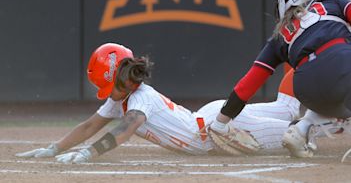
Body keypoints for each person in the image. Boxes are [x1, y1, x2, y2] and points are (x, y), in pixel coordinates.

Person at [209, 0, 351, 162]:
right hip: (342, 61)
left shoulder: (279, 36)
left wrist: (220, 123)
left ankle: (302, 129)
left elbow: (249, 84)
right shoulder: (332, 2)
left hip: (305, 86)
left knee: (341, 110)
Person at [15, 43, 302, 163]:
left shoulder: (139, 98)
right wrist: (53, 149)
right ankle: (307, 66)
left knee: (299, 132)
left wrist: (88, 154)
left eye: (106, 86)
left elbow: (125, 130)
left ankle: (314, 75)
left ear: (122, 80)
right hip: (211, 120)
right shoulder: (123, 96)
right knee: (290, 113)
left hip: (218, 129)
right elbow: (91, 125)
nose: (104, 93)